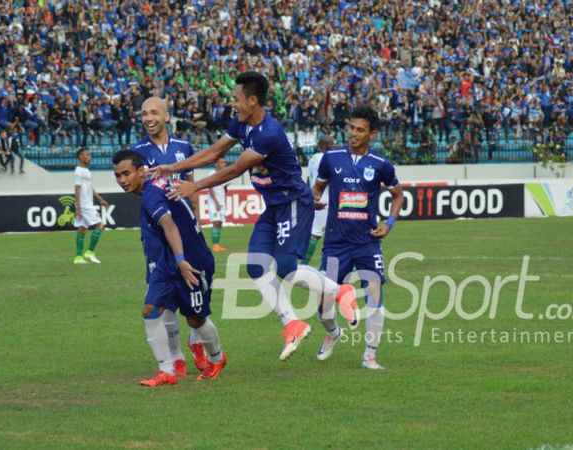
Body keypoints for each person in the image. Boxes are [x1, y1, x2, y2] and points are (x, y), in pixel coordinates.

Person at [150, 72, 358, 361]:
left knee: (286, 266)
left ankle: (341, 291)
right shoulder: (242, 122)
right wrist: (172, 168)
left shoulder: (268, 133)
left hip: (292, 203)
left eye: (237, 98)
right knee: (256, 266)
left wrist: (195, 185)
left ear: (252, 100)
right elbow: (214, 152)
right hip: (274, 206)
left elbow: (234, 169)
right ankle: (293, 323)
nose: (233, 103)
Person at [113, 150, 226, 386]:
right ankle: (166, 370)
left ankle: (217, 358)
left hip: (192, 260)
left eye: (126, 174)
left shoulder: (150, 196)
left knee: (196, 319)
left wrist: (182, 260)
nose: (123, 180)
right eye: (118, 176)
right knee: (150, 309)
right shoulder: (155, 185)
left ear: (140, 171)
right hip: (168, 261)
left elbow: (170, 225)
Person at [311, 105, 404, 370]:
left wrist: (389, 223)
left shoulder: (381, 164)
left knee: (375, 295)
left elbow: (398, 195)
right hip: (335, 243)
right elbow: (317, 189)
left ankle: (370, 355)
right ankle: (332, 332)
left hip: (367, 243)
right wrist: (315, 199)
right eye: (351, 128)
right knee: (323, 301)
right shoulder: (331, 158)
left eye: (360, 130)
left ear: (372, 134)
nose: (353, 133)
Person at [130, 97, 202, 371]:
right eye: (144, 113)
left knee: (196, 288)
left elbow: (192, 188)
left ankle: (197, 340)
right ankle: (175, 356)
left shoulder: (184, 148)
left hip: (187, 229)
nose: (148, 117)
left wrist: (198, 223)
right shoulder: (137, 151)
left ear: (166, 116)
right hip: (156, 234)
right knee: (165, 295)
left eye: (153, 113)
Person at [301, 135, 335, 264]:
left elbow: (310, 180)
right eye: (332, 144)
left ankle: (305, 264)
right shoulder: (326, 158)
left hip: (314, 197)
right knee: (317, 233)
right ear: (326, 145)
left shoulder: (313, 158)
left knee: (316, 231)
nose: (334, 146)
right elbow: (328, 179)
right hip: (325, 199)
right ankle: (305, 264)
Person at [73, 148, 109, 264]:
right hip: (84, 205)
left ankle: (78, 257)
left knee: (82, 228)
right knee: (101, 224)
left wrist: (100, 199)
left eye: (90, 155)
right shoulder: (78, 171)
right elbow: (77, 189)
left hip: (87, 203)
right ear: (80, 157)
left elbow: (89, 188)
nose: (89, 157)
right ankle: (90, 252)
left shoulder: (86, 171)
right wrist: (78, 208)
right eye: (87, 155)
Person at [206, 157, 229, 252]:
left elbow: (225, 188)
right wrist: (216, 202)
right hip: (214, 203)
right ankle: (215, 245)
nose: (224, 164)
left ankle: (217, 244)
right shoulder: (212, 174)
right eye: (222, 162)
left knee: (220, 222)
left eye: (225, 162)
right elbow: (210, 188)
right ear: (216, 164)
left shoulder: (225, 175)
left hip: (222, 202)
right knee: (215, 222)